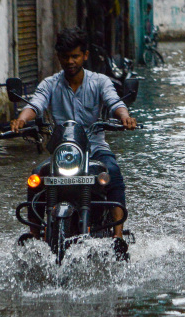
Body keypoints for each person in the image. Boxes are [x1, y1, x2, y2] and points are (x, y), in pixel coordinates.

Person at [10, 27, 138, 256]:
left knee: (114, 174)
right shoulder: (50, 84)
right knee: (35, 179)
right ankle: (34, 235)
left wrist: (125, 117)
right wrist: (21, 119)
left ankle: (118, 236)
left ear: (85, 56)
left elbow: (114, 102)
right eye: (65, 56)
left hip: (95, 150)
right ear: (59, 57)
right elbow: (35, 104)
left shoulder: (99, 82)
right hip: (62, 153)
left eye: (75, 56)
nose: (70, 61)